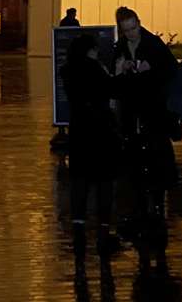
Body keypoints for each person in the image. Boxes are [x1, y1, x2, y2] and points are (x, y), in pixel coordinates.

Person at [112, 6, 178, 275]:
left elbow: (170, 70)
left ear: (139, 24)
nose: (131, 34)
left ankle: (158, 209)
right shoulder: (120, 47)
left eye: (133, 29)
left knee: (157, 159)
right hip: (131, 114)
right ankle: (140, 209)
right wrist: (120, 70)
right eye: (126, 31)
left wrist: (151, 69)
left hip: (152, 113)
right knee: (135, 163)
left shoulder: (153, 44)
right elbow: (113, 80)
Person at [61, 33, 119, 278]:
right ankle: (103, 230)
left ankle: (78, 229)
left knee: (79, 183)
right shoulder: (95, 70)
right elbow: (110, 90)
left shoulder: (68, 71)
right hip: (100, 134)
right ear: (90, 50)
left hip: (79, 134)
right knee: (104, 182)